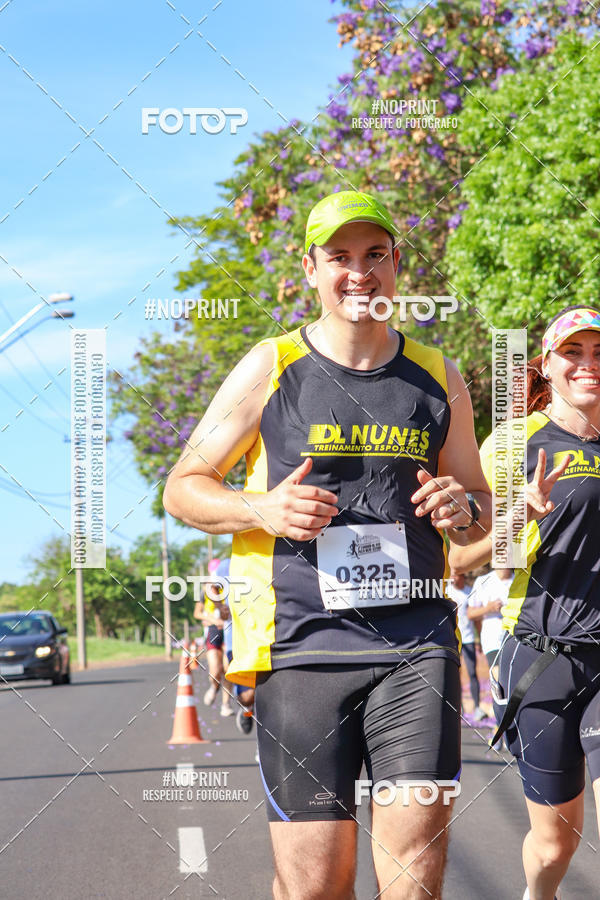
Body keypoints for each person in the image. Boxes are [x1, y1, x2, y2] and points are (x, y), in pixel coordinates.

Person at [164, 189, 492, 898]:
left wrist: (461, 504)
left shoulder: (438, 375)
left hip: (415, 647)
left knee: (415, 878)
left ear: (398, 265)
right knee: (316, 886)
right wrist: (263, 508)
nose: (359, 273)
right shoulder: (272, 365)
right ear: (310, 268)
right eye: (339, 257)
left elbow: (479, 510)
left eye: (375, 255)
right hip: (303, 651)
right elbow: (184, 486)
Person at [450, 306, 600, 900]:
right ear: (547, 365)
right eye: (575, 353)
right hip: (543, 658)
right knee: (556, 841)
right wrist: (516, 516)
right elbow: (461, 561)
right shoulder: (516, 442)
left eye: (599, 353)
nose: (589, 365)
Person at [194, 558, 233, 716]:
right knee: (216, 669)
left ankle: (226, 704)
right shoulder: (205, 592)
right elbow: (197, 613)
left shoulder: (232, 586)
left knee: (228, 668)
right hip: (213, 630)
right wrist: (212, 620)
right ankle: (214, 686)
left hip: (229, 630)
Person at [447, 569, 484, 720]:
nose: (453, 579)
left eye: (456, 575)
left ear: (462, 577)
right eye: (452, 575)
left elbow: (476, 619)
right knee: (456, 674)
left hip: (468, 639)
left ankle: (477, 707)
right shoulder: (447, 591)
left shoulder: (470, 592)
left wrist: (479, 638)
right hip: (453, 638)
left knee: (472, 672)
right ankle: (458, 706)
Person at [467, 567, 513, 682]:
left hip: (515, 638)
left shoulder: (519, 579)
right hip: (493, 639)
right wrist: (488, 608)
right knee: (498, 677)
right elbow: (470, 613)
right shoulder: (482, 581)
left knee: (512, 679)